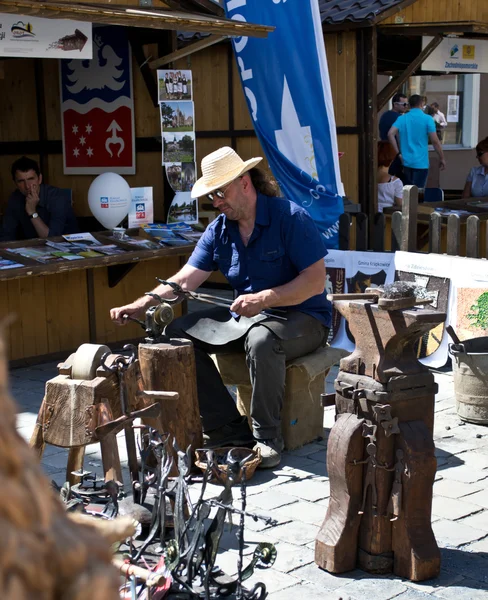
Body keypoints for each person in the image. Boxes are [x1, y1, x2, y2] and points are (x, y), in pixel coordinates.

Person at [110, 147, 330, 468]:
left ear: (244, 182)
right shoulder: (220, 229)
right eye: (212, 195)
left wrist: (264, 299)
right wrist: (140, 304)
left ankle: (267, 438)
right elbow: (184, 281)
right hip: (247, 317)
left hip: (303, 318)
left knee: (262, 341)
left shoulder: (290, 218)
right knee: (175, 335)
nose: (215, 202)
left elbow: (315, 281)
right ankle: (226, 425)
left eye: (220, 192)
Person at [0, 156, 78, 241]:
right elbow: (6, 235)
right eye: (21, 181)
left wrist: (32, 212)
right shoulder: (15, 198)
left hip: (66, 248)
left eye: (31, 179)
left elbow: (52, 239)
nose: (27, 186)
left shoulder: (57, 197)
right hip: (31, 249)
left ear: (40, 179)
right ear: (15, 183)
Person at [387, 94, 446, 189]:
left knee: (406, 194)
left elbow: (390, 134)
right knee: (418, 194)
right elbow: (435, 141)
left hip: (405, 162)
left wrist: (398, 154)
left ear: (409, 105)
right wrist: (442, 157)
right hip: (421, 163)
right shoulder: (428, 119)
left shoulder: (402, 118)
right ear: (422, 104)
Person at [379, 93, 408, 181]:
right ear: (395, 104)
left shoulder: (384, 115)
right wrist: (399, 153)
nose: (406, 107)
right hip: (396, 153)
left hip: (385, 152)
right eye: (404, 104)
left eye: (407, 104)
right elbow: (399, 136)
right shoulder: (399, 118)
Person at [377, 141, 403, 213]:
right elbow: (400, 204)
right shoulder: (396, 182)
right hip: (388, 217)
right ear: (392, 159)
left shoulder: (367, 178)